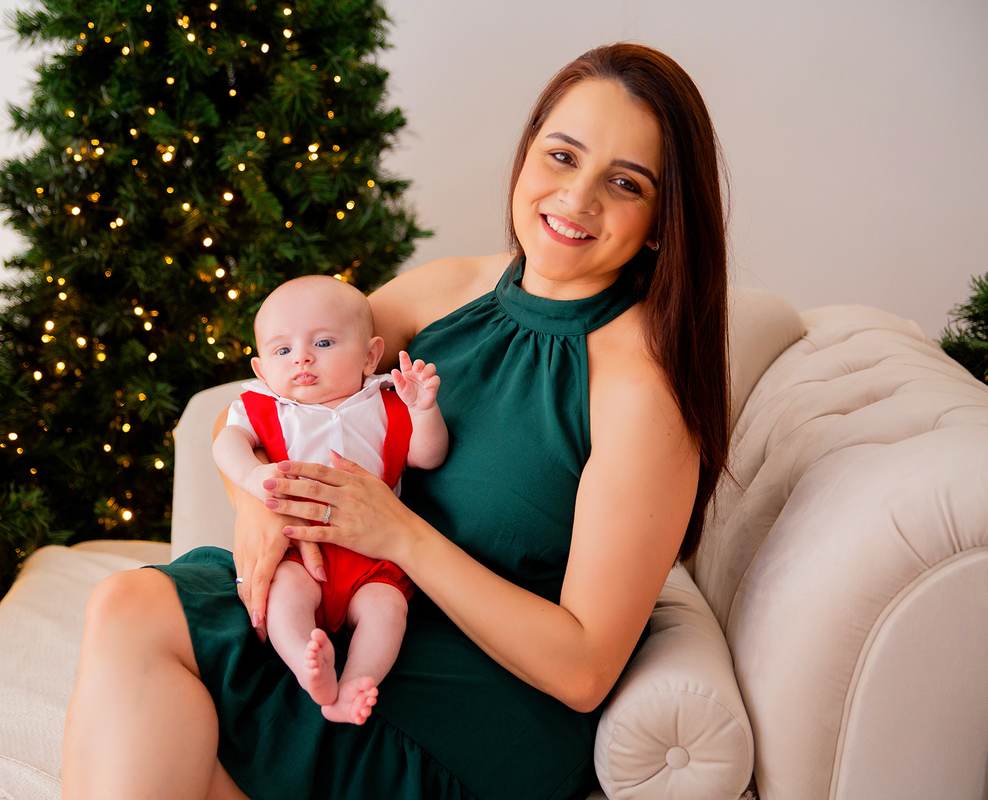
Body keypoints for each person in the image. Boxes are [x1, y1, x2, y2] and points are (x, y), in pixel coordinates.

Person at [62, 42, 729, 800]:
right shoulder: (448, 290)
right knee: (126, 609)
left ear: (663, 221)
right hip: (347, 612)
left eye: (625, 182)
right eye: (562, 155)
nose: (577, 198)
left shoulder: (643, 392)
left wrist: (399, 534)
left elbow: (584, 670)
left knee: (160, 727)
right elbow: (263, 403)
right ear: (526, 154)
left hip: (479, 698)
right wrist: (256, 504)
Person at [212, 275, 448, 724]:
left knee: (387, 609)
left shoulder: (387, 403)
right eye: (282, 350)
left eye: (322, 343)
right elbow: (227, 443)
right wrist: (253, 476)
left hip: (371, 555)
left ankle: (357, 681)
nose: (301, 357)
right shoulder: (264, 406)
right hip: (298, 550)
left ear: (370, 356)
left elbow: (427, 456)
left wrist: (424, 411)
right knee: (285, 596)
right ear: (262, 370)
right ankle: (308, 667)